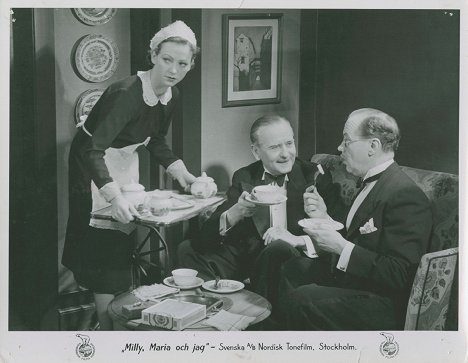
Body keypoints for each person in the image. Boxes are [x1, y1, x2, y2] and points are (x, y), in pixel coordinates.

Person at [62, 20, 199, 330]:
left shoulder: (170, 96)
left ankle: (120, 319)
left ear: (190, 65)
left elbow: (155, 139)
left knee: (122, 243)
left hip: (123, 161)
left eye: (182, 63)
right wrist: (113, 195)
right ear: (153, 55)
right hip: (91, 165)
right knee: (103, 250)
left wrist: (184, 175)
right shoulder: (126, 92)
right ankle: (108, 329)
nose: (173, 69)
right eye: (167, 59)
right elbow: (92, 150)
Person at [278, 108, 433, 330]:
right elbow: (359, 239)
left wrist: (341, 247)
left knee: (303, 299)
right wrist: (324, 217)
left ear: (373, 146)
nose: (340, 147)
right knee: (287, 265)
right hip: (356, 280)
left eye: (346, 140)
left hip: (384, 302)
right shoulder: (370, 182)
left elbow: (400, 274)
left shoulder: (405, 196)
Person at [178, 115, 342, 309]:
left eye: (289, 143)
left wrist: (298, 237)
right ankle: (210, 311)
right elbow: (208, 234)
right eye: (274, 147)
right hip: (251, 256)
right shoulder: (245, 176)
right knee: (188, 248)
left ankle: (264, 321)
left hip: (293, 257)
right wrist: (236, 211)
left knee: (278, 248)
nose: (285, 154)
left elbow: (340, 231)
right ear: (256, 152)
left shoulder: (314, 175)